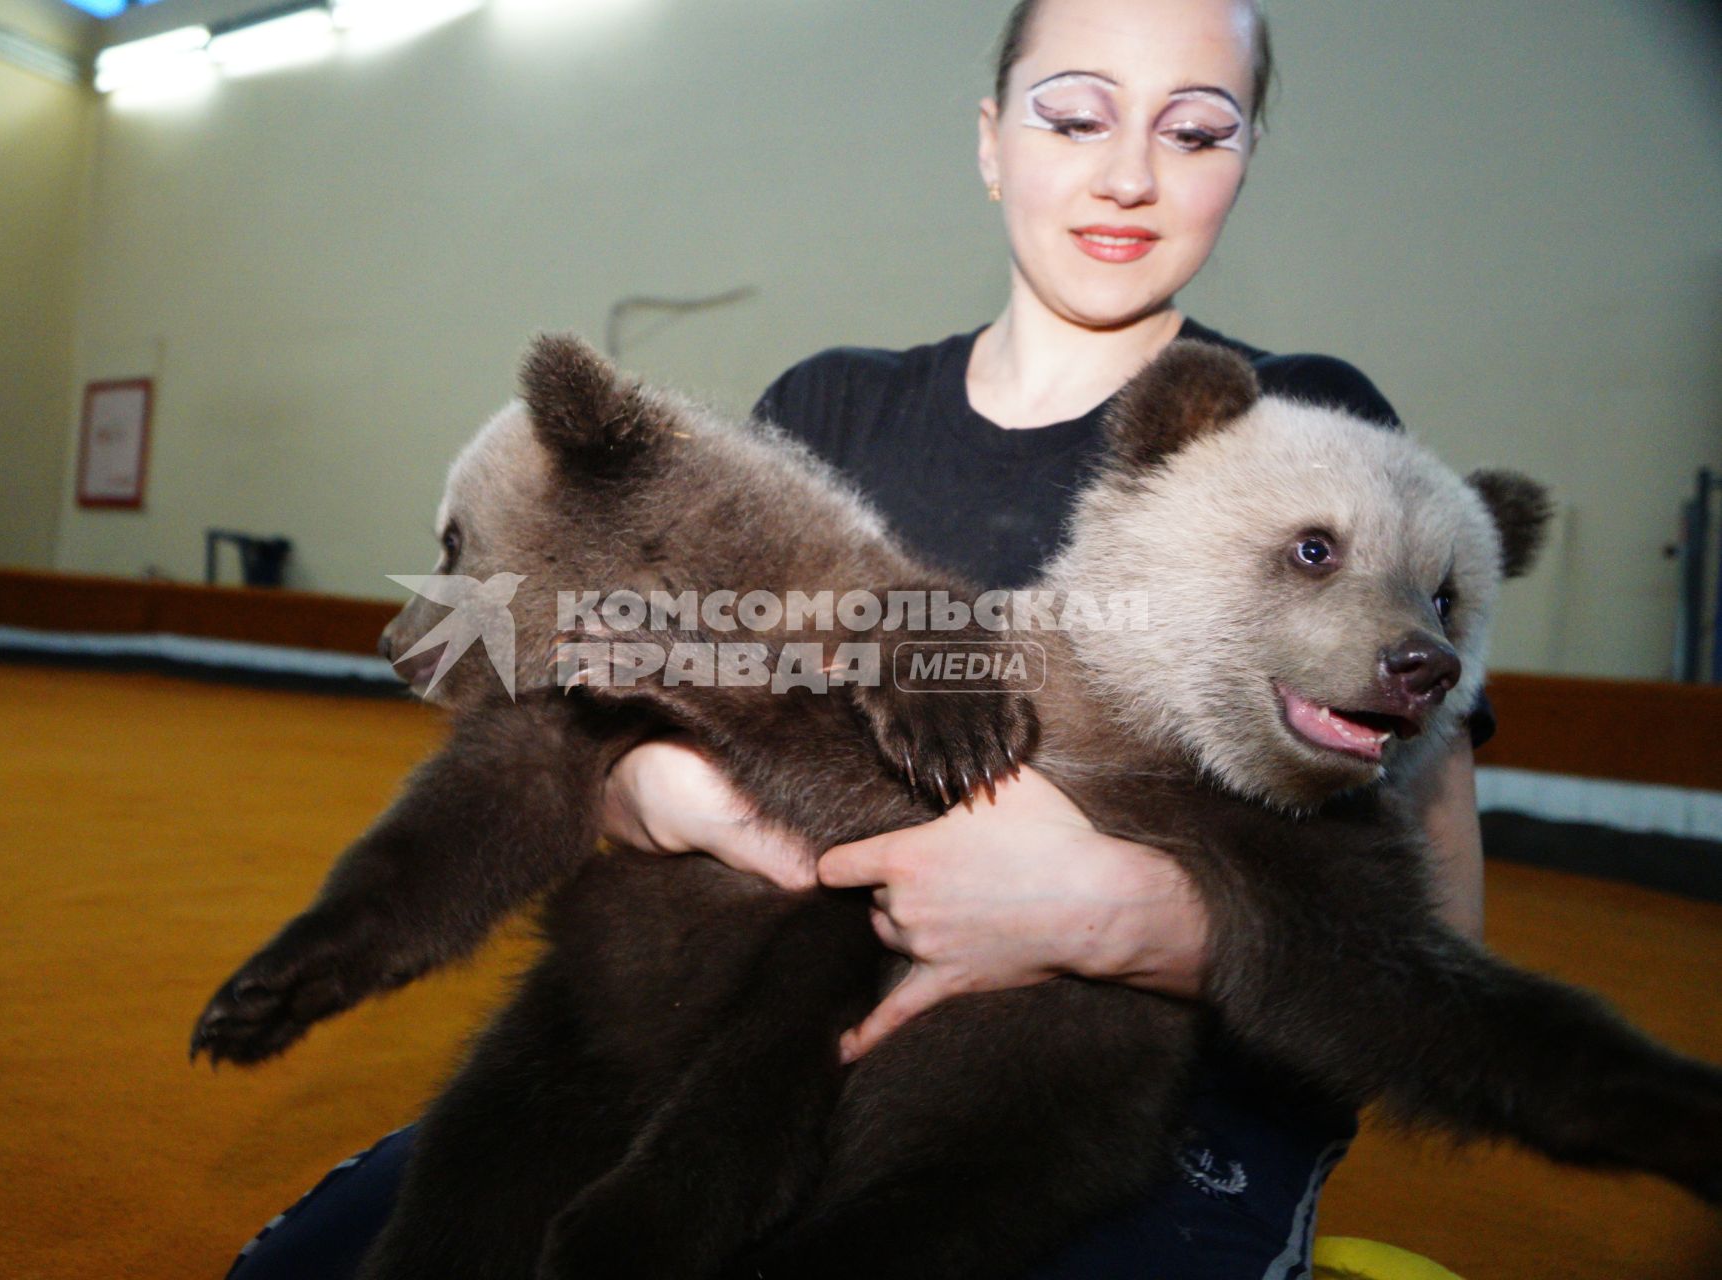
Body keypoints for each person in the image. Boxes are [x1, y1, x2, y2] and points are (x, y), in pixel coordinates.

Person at [227, 0, 1490, 1275]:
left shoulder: (1312, 436)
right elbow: (613, 700)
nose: (1127, 173)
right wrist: (642, 789)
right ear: (993, 140)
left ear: (1244, 160)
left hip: (1113, 1086)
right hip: (753, 1029)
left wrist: (1119, 918)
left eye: (1196, 131)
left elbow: (1436, 895)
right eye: (1072, 114)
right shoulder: (824, 406)